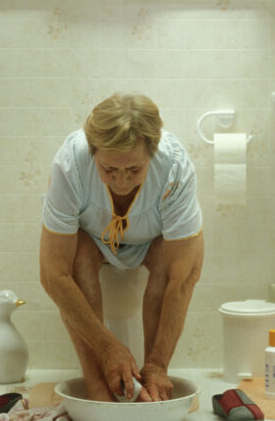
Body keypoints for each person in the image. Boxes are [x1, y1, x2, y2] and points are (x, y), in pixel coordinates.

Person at [40, 93, 204, 403]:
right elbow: (53, 275)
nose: (121, 182)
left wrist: (159, 364)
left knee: (169, 260)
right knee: (78, 255)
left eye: (134, 170)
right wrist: (107, 348)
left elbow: (184, 277)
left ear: (152, 153)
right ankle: (97, 387)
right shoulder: (71, 163)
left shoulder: (174, 168)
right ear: (93, 152)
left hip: (151, 243)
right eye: (108, 169)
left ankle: (154, 377)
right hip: (92, 241)